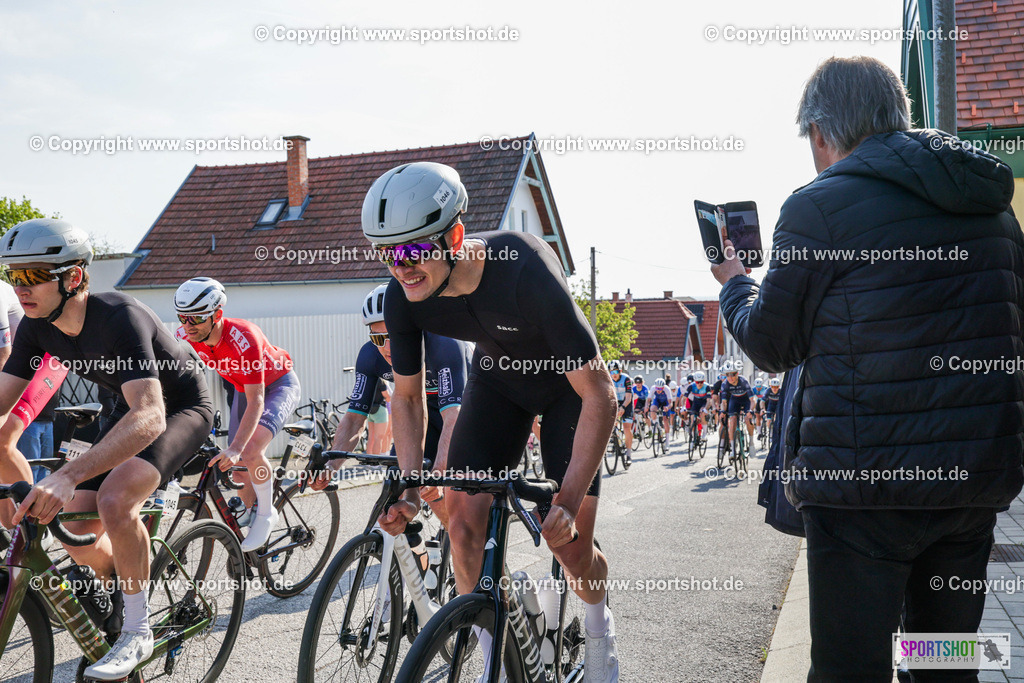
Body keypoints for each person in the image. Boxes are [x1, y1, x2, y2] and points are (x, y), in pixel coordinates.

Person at [714, 56, 1024, 681]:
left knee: (849, 671)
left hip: (864, 494)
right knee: (944, 666)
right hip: (973, 485)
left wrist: (735, 286)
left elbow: (771, 345)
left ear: (823, 133)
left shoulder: (818, 209)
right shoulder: (992, 207)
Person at [363, 161, 619, 681]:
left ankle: (598, 627)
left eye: (412, 250)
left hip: (569, 392)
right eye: (386, 253)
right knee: (461, 526)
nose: (401, 267)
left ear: (455, 236)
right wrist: (411, 489)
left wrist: (566, 502)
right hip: (499, 384)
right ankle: (493, 661)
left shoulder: (524, 268)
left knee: (570, 551)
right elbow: (408, 399)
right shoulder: (403, 297)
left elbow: (601, 396)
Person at [2, 219, 214, 680]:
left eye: (31, 275)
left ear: (72, 276)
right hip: (127, 405)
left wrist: (69, 473)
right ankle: (123, 579)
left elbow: (152, 415)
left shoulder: (120, 316)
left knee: (116, 499)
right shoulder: (37, 328)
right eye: (11, 276)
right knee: (70, 524)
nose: (19, 288)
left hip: (179, 407)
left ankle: (138, 630)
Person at [313, 283, 471, 530]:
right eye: (378, 338)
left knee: (449, 487)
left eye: (394, 335)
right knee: (404, 491)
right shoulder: (370, 356)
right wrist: (331, 465)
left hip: (466, 405)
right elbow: (355, 418)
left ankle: (472, 545)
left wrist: (439, 474)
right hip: (418, 408)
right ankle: (425, 552)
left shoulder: (443, 342)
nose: (387, 347)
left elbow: (455, 416)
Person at [174, 276, 300, 551]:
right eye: (182, 317)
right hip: (243, 388)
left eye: (195, 319)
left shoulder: (245, 338)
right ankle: (249, 512)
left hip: (277, 386)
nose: (187, 326)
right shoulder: (186, 335)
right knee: (239, 468)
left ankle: (267, 514)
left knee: (249, 450)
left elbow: (257, 401)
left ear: (217, 315)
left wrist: (236, 447)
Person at [609, 362, 634, 460]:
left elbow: (628, 398)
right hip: (615, 401)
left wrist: (623, 407)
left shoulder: (626, 379)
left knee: (627, 428)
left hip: (626, 402)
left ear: (619, 371)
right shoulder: (609, 379)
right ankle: (615, 439)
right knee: (611, 422)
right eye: (611, 372)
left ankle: (628, 454)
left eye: (615, 371)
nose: (613, 374)